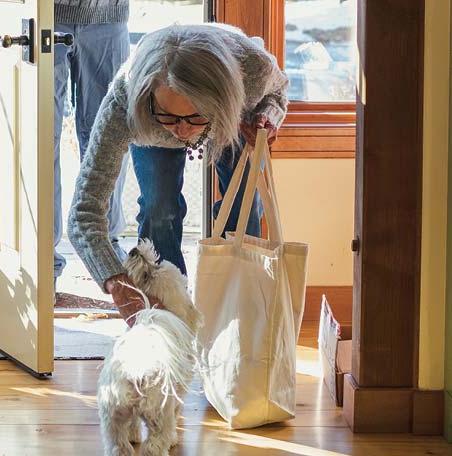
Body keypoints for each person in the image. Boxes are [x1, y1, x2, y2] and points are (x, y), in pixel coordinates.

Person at [68, 23, 289, 324]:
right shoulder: (124, 105)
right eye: (169, 116)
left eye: (193, 116)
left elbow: (277, 91)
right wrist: (116, 282)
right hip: (152, 128)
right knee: (160, 208)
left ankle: (235, 315)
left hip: (231, 122)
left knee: (244, 210)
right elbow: (84, 213)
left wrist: (268, 116)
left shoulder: (252, 69)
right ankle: (168, 315)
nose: (182, 131)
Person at [53, 0, 132, 292]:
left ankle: (107, 252)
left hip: (108, 17)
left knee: (109, 136)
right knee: (40, 139)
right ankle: (41, 262)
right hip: (41, 13)